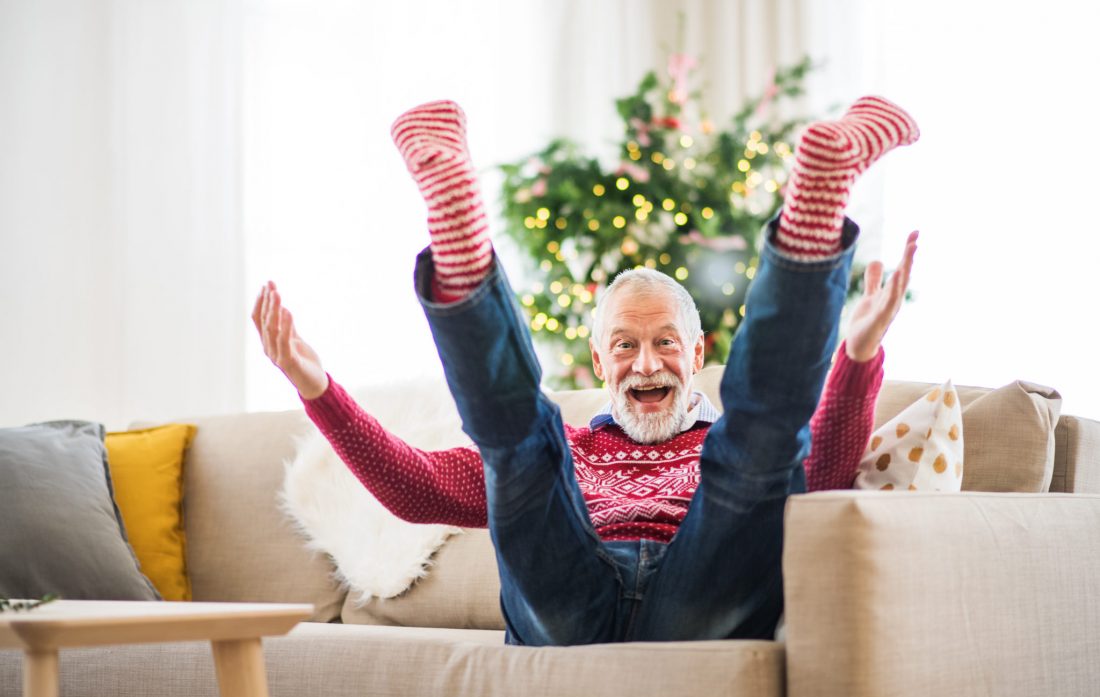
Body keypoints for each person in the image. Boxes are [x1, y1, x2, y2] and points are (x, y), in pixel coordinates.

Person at [253, 96, 918, 646]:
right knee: (519, 451)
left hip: (699, 606)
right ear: (600, 361)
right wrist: (319, 389)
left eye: (665, 342)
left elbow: (826, 478)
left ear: (698, 353)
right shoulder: (568, 451)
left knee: (758, 450)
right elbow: (415, 488)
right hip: (565, 607)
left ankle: (817, 202)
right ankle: (460, 239)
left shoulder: (723, 452)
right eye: (624, 345)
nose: (646, 362)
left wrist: (857, 354)